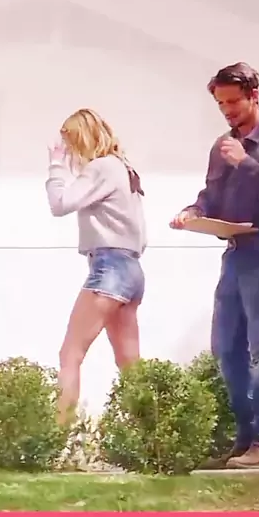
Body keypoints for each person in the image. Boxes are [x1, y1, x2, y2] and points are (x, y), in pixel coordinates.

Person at [170, 62, 259, 469]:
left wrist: (246, 163)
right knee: (226, 349)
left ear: (253, 95)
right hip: (234, 252)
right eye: (221, 104)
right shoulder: (222, 146)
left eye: (233, 102)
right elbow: (211, 196)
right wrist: (194, 212)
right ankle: (246, 440)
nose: (227, 110)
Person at [46, 108, 147, 424]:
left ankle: (57, 437)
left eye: (72, 144)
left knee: (70, 355)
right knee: (131, 365)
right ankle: (151, 436)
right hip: (131, 269)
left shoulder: (101, 167)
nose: (71, 153)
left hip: (109, 269)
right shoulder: (124, 168)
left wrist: (55, 165)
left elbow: (60, 204)